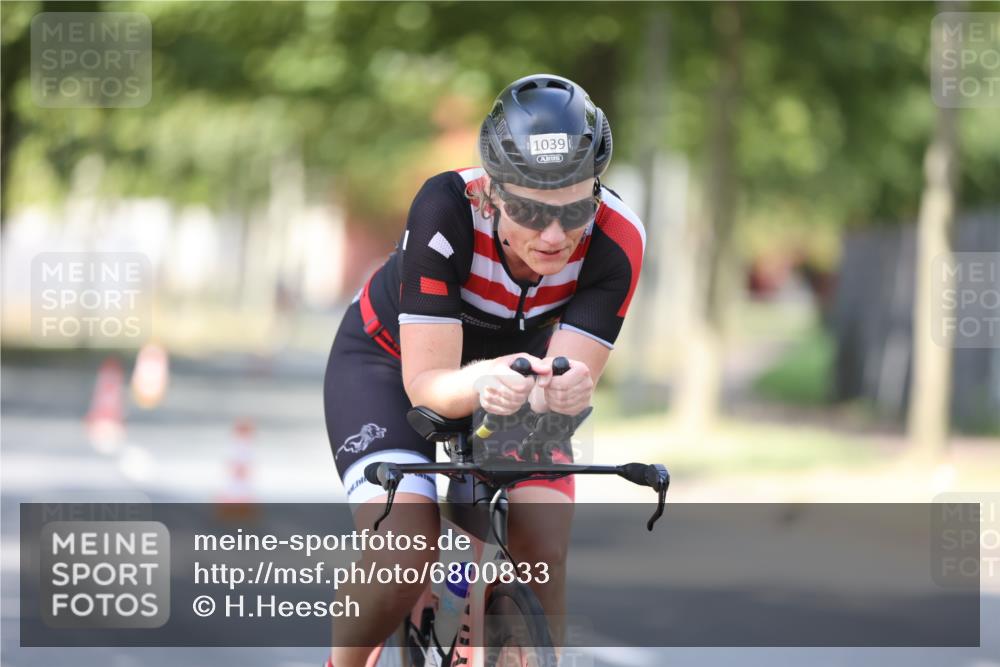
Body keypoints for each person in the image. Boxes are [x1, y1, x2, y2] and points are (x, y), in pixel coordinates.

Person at [322, 73, 645, 667]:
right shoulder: (445, 209)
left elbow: (563, 379)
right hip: (390, 363)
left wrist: (571, 387)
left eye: (575, 209)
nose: (555, 235)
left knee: (541, 541)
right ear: (493, 193)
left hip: (518, 378)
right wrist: (485, 381)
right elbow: (429, 386)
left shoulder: (618, 241)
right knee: (404, 549)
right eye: (529, 209)